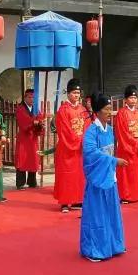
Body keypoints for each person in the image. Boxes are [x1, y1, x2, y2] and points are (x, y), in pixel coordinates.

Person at [80, 93, 127, 262]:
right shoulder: (91, 132)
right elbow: (91, 154)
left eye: (110, 109)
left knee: (112, 214)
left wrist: (113, 163)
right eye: (107, 109)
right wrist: (113, 161)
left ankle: (113, 245)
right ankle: (94, 249)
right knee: (97, 216)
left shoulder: (110, 130)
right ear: (98, 111)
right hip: (97, 180)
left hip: (110, 178)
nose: (110, 112)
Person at [52, 79, 92, 213]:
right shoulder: (63, 110)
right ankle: (64, 202)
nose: (76, 95)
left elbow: (87, 127)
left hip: (80, 148)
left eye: (78, 93)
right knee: (66, 175)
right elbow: (64, 130)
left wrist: (84, 141)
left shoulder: (83, 110)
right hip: (66, 148)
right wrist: (77, 140)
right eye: (74, 92)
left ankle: (77, 200)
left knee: (79, 175)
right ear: (68, 94)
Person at [114, 85, 138, 203]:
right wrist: (135, 142)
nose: (133, 100)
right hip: (127, 147)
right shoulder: (121, 113)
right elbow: (122, 132)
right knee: (127, 172)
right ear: (125, 99)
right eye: (131, 98)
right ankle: (126, 196)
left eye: (135, 98)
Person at [14, 89, 43, 190]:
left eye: (33, 97)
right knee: (22, 160)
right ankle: (20, 183)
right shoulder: (20, 109)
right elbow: (23, 121)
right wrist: (33, 122)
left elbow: (40, 118)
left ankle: (32, 182)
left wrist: (40, 123)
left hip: (33, 138)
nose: (31, 99)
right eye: (29, 97)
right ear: (25, 98)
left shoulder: (36, 109)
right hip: (24, 138)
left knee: (33, 159)